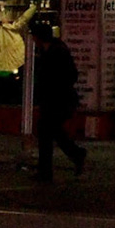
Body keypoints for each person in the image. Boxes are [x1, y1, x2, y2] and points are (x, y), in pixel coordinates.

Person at [31, 23, 87, 183]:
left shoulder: (57, 52)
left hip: (59, 100)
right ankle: (73, 155)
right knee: (50, 132)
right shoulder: (48, 51)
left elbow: (70, 75)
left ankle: (49, 169)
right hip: (52, 100)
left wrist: (55, 88)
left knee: (48, 131)